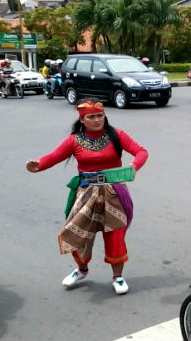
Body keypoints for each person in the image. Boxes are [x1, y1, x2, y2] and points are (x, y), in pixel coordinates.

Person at [25, 99, 148, 294]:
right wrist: (37, 165)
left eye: (100, 115)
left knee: (115, 235)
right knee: (80, 233)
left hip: (114, 192)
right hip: (86, 193)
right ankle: (81, 270)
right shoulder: (74, 140)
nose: (97, 120)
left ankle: (118, 277)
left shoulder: (117, 135)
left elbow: (141, 151)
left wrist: (134, 166)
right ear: (82, 119)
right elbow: (53, 157)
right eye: (91, 117)